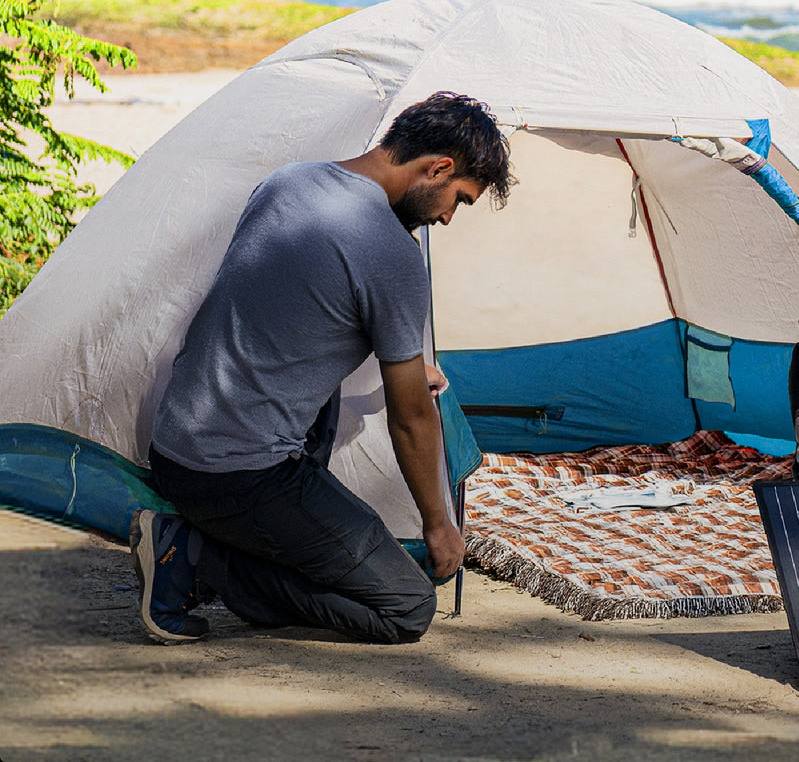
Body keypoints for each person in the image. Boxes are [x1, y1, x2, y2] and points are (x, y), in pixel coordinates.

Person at [130, 92, 513, 644]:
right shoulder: (391, 252)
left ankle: (221, 541)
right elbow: (411, 420)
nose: (448, 218)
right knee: (405, 607)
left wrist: (406, 359)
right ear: (439, 168)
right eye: (459, 200)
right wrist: (439, 525)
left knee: (325, 421)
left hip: (175, 446)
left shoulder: (289, 181)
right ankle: (193, 560)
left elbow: (288, 312)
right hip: (241, 475)